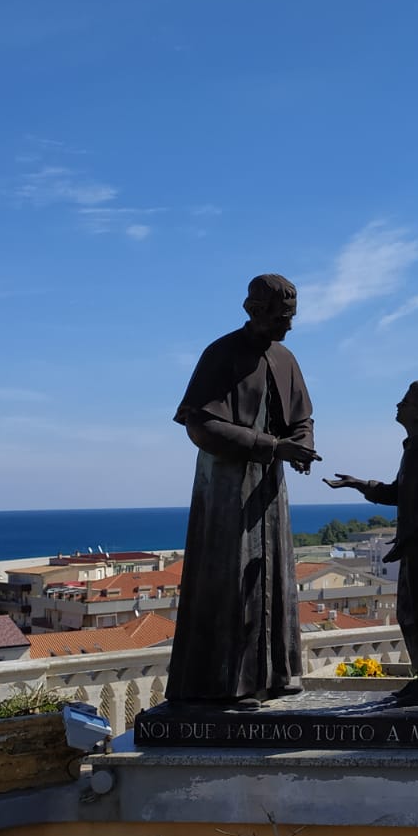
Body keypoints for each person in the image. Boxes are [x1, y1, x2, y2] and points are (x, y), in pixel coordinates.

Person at [165, 274, 320, 708]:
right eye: (280, 318)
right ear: (254, 311)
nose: (287, 327)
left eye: (291, 318)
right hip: (228, 488)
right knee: (233, 581)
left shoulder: (287, 358)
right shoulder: (221, 354)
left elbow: (301, 417)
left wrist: (302, 446)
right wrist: (272, 446)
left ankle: (274, 676)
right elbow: (200, 424)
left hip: (270, 486)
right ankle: (230, 684)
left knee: (274, 581)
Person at [324, 381, 418, 707]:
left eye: (406, 401)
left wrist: (407, 538)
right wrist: (359, 484)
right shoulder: (413, 448)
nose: (398, 405)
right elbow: (399, 493)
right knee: (408, 614)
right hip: (414, 546)